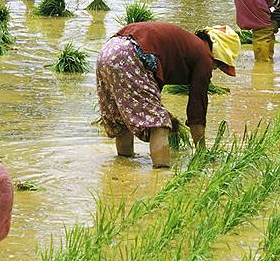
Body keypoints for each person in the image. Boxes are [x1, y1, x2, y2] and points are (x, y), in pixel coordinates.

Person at [96, 22, 239, 168]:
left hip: (109, 49)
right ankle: (161, 177)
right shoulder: (204, 55)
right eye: (220, 66)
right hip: (130, 54)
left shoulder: (185, 44)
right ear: (218, 56)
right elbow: (197, 109)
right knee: (160, 123)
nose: (215, 69)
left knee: (122, 117)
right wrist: (202, 152)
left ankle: (123, 167)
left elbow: (150, 91)